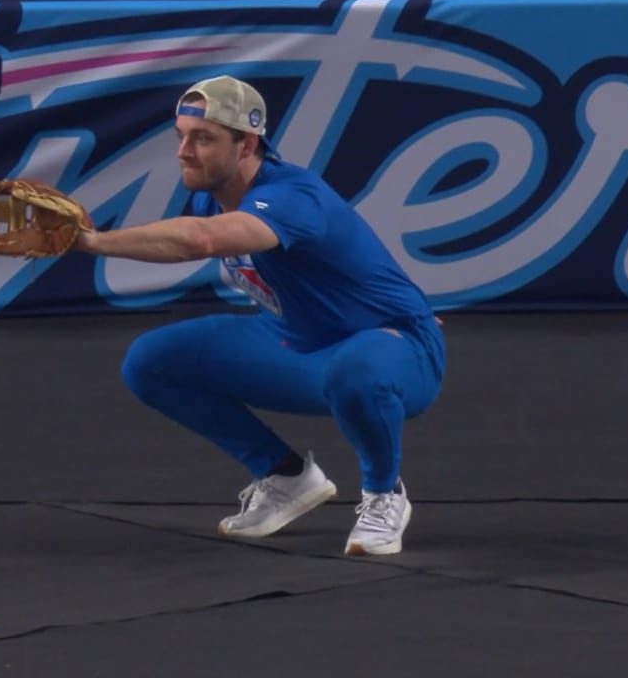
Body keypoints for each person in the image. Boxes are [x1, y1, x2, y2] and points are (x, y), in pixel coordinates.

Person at [73, 75, 445, 556]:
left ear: (247, 143)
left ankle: (383, 493)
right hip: (304, 347)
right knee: (150, 362)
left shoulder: (293, 196)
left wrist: (92, 242)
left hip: (396, 349)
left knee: (357, 371)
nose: (184, 151)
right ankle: (286, 476)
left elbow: (202, 240)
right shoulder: (214, 193)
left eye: (203, 138)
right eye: (181, 136)